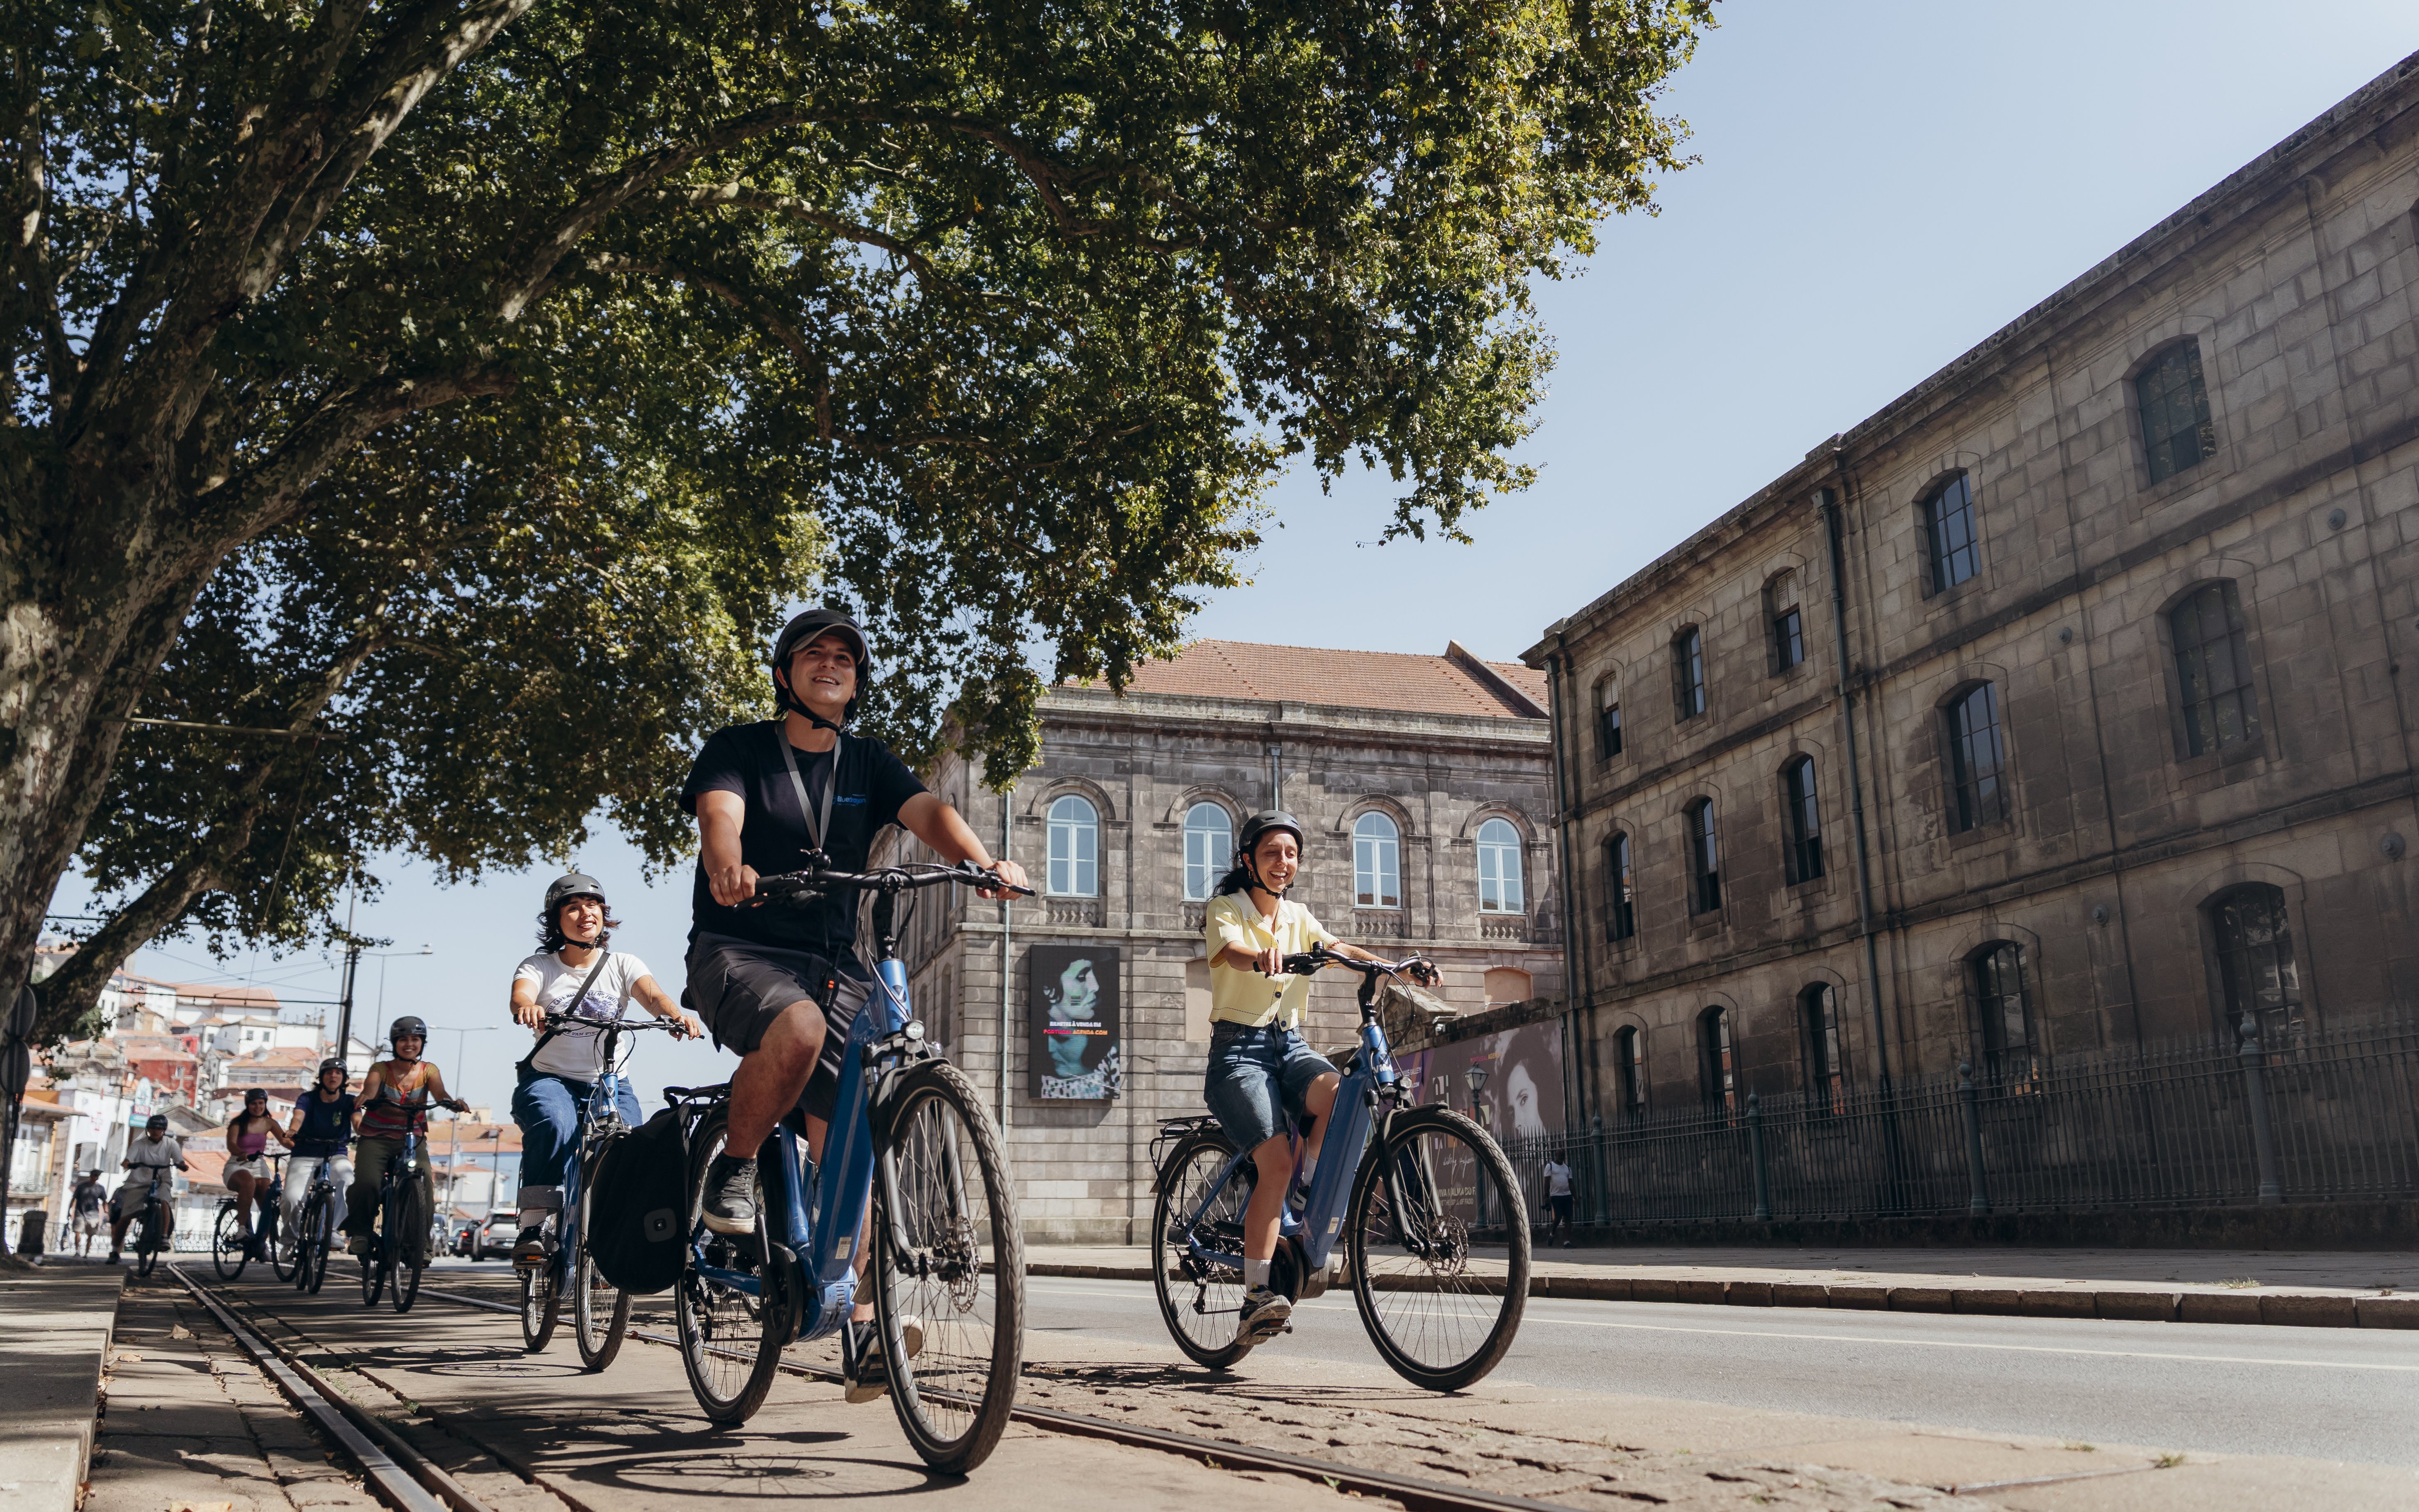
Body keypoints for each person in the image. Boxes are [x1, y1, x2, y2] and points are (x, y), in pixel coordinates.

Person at [680, 607, 1027, 1403]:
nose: (831, 664)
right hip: (743, 948)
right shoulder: (739, 748)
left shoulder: (869, 760)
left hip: (838, 961)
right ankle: (734, 1171)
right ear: (784, 672)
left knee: (853, 1151)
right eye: (814, 654)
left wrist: (981, 862)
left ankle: (865, 1330)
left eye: (845, 657)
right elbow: (718, 813)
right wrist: (727, 863)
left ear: (856, 680)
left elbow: (925, 812)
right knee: (795, 1028)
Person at [1202, 809, 1438, 1346]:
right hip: (1238, 1054)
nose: (1282, 862)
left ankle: (1300, 1195)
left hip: (1289, 1046)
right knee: (1276, 1163)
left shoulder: (1299, 917)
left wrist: (1393, 967)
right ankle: (1256, 1294)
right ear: (1248, 860)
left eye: (1290, 854)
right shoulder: (1227, 909)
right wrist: (1259, 956)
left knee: (1339, 1095)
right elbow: (1230, 954)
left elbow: (1340, 949)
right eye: (1270, 853)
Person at [506, 872, 701, 1266]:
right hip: (550, 1078)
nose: (585, 913)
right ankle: (536, 1225)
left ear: (603, 914)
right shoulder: (539, 966)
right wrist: (528, 1007)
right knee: (555, 1124)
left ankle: (611, 1239)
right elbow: (521, 995)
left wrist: (673, 1015)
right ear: (556, 919)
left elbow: (654, 996)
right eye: (573, 907)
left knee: (632, 1146)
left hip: (610, 1085)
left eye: (592, 905)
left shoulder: (624, 964)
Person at [346, 1016, 468, 1258]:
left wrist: (453, 1104)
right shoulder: (380, 1069)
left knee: (425, 1185)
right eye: (403, 1039)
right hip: (376, 1137)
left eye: (415, 1039)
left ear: (422, 1043)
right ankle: (360, 1233)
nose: (409, 1044)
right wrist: (366, 1098)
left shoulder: (429, 1070)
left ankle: (421, 1244)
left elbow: (440, 1093)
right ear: (394, 1043)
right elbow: (370, 1089)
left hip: (413, 1138)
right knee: (366, 1183)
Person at [282, 1059, 356, 1247]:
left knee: (347, 1180)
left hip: (336, 1153)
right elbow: (299, 1116)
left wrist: (365, 1134)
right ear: (321, 1078)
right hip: (305, 1153)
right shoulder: (307, 1098)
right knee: (292, 1199)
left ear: (344, 1079)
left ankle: (332, 1229)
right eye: (329, 1073)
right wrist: (293, 1130)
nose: (333, 1076)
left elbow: (358, 1122)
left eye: (338, 1073)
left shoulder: (349, 1101)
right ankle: (290, 1241)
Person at [108, 1113, 188, 1263]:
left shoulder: (171, 1144)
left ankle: (164, 1237)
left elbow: (179, 1159)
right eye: (152, 1128)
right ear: (148, 1129)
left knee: (164, 1201)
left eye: (158, 1128)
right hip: (138, 1182)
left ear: (164, 1130)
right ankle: (115, 1250)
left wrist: (182, 1165)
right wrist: (128, 1164)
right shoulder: (139, 1144)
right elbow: (128, 1160)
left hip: (161, 1180)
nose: (155, 1131)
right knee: (125, 1217)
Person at [224, 1088, 294, 1258]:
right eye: (254, 1104)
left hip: (259, 1164)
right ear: (248, 1105)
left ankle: (262, 1243)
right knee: (248, 1183)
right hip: (238, 1164)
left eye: (261, 1103)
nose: (258, 1107)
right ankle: (242, 1229)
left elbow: (285, 1140)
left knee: (267, 1197)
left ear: (265, 1104)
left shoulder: (269, 1123)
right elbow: (231, 1145)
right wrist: (241, 1152)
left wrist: (301, 1148)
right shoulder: (237, 1124)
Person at [1540, 1153, 1575, 1248]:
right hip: (1556, 1196)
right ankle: (1552, 1233)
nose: (1561, 1157)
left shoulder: (1567, 1168)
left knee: (1568, 1218)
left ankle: (1567, 1241)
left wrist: (1575, 1197)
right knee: (1558, 1217)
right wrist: (1546, 1196)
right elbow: (1547, 1182)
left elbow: (1571, 1183)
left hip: (1567, 1195)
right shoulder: (1550, 1166)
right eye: (1560, 1155)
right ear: (1556, 1156)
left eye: (1563, 1155)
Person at [70, 1170, 107, 1256]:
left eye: (97, 1176)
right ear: (90, 1176)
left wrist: (106, 1213)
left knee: (90, 1235)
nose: (96, 1177)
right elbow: (74, 1199)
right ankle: (77, 1251)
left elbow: (105, 1201)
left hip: (93, 1215)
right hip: (80, 1213)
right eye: (94, 1175)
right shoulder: (81, 1187)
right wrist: (70, 1210)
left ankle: (86, 1253)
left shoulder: (100, 1188)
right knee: (77, 1232)